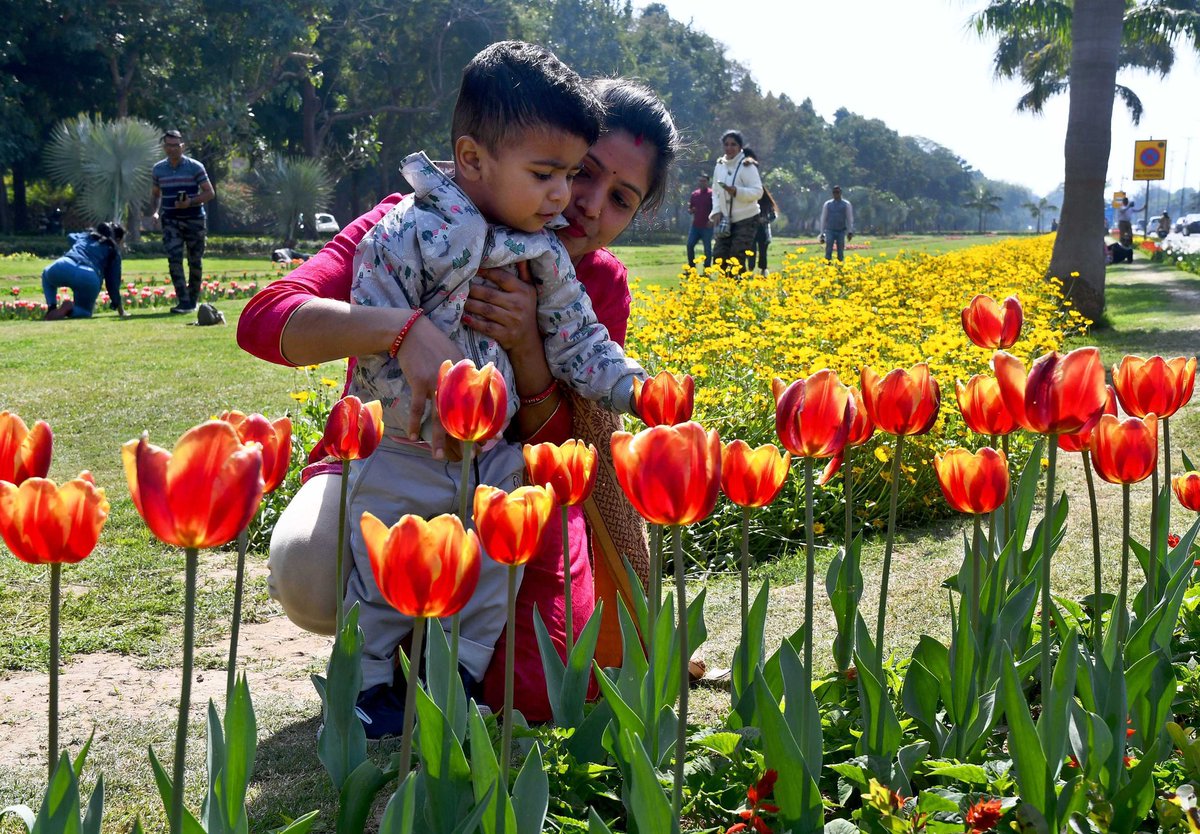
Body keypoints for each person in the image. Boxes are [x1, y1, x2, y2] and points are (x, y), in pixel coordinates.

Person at [238, 75, 679, 734]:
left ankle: (436, 647)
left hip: (507, 480)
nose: (581, 201)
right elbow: (266, 319)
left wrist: (528, 347)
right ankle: (382, 650)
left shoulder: (595, 281)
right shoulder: (409, 222)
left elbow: (567, 441)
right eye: (576, 171)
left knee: (542, 685)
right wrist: (401, 329)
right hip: (383, 454)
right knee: (309, 570)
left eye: (620, 198)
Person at [335, 42, 649, 735]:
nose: (565, 198)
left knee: (497, 568)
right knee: (385, 575)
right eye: (549, 175)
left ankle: (458, 675)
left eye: (570, 176)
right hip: (407, 444)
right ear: (473, 161)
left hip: (494, 456)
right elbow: (367, 319)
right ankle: (365, 687)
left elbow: (582, 341)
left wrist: (636, 390)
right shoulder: (401, 232)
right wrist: (409, 335)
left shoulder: (540, 256)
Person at [150, 130, 216, 314]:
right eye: (168, 145)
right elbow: (155, 195)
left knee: (195, 261)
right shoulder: (158, 169)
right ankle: (183, 301)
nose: (172, 149)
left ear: (182, 146)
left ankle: (193, 299)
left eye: (175, 145)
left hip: (194, 220)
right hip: (170, 220)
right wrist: (155, 213)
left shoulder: (195, 167)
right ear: (164, 147)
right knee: (174, 260)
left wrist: (191, 201)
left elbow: (209, 193)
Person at [41, 222, 130, 320]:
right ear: (117, 239)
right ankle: (70, 309)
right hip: (88, 276)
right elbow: (113, 283)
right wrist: (120, 309)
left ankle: (52, 307)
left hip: (64, 264)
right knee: (84, 312)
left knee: (46, 275)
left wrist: (85, 236)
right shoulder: (113, 252)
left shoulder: (85, 237)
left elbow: (70, 236)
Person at [709, 130, 763, 271]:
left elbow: (758, 192)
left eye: (733, 144)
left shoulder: (747, 166)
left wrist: (737, 191)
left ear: (740, 147)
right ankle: (725, 290)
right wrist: (716, 211)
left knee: (736, 257)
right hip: (726, 219)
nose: (729, 148)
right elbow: (715, 191)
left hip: (747, 218)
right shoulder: (719, 165)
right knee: (719, 257)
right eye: (726, 144)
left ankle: (738, 288)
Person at [740, 148, 776, 275]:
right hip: (751, 228)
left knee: (763, 250)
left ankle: (763, 269)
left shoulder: (766, 201)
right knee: (751, 249)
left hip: (763, 229)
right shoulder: (748, 197)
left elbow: (773, 215)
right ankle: (750, 266)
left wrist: (764, 220)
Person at [819, 185, 855, 261]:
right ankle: (827, 266)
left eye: (837, 192)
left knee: (840, 250)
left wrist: (850, 231)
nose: (836, 194)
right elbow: (823, 218)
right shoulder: (827, 204)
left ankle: (840, 267)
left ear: (840, 193)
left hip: (841, 230)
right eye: (834, 192)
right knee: (828, 249)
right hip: (830, 230)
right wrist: (822, 233)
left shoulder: (846, 204)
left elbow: (849, 218)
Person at [686, 173, 713, 269]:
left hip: (707, 226)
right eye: (700, 181)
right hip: (695, 226)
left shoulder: (712, 194)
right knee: (689, 245)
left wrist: (712, 220)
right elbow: (690, 209)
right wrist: (691, 210)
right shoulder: (694, 194)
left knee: (707, 249)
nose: (702, 183)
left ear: (708, 182)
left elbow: (716, 209)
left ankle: (707, 269)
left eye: (704, 181)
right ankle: (691, 268)